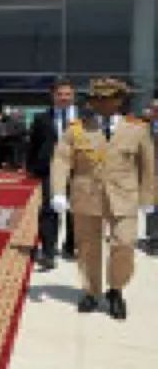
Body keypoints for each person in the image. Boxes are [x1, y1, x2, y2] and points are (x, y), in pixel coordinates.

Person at [51, 78, 154, 320]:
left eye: (110, 99)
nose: (104, 103)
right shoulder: (77, 128)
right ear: (92, 102)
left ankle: (116, 290)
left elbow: (148, 166)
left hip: (124, 196)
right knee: (87, 248)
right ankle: (91, 291)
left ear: (119, 100)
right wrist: (58, 191)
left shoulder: (138, 128)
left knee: (125, 244)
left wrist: (149, 197)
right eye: (99, 99)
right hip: (86, 194)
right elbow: (62, 160)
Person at [26, 78, 78, 271]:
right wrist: (31, 166)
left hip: (79, 169)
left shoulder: (85, 117)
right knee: (49, 208)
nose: (64, 98)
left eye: (67, 94)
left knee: (77, 209)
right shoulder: (41, 118)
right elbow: (34, 144)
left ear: (73, 96)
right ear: (53, 96)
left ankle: (71, 246)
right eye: (60, 94)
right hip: (50, 169)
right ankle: (48, 251)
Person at [145, 99, 158, 255]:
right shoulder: (143, 128)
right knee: (152, 206)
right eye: (155, 109)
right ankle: (153, 239)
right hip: (150, 172)